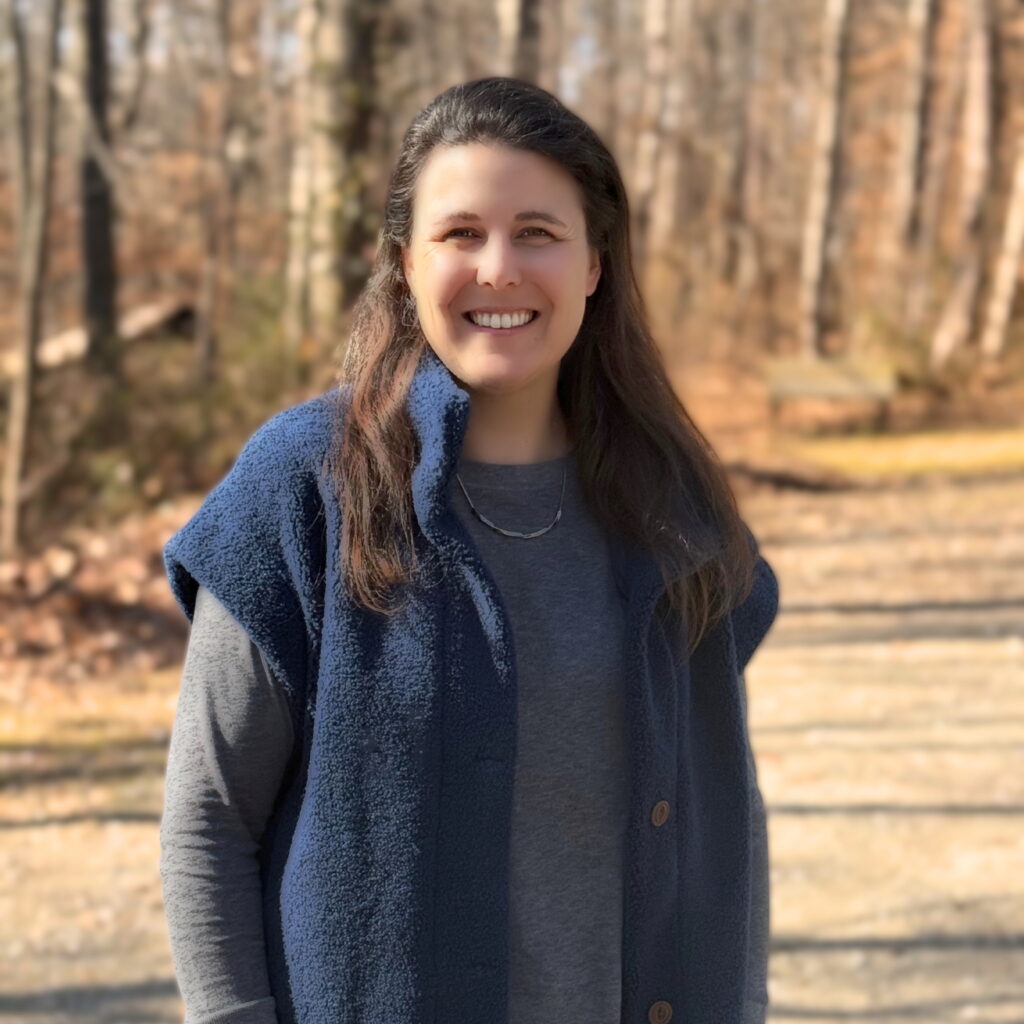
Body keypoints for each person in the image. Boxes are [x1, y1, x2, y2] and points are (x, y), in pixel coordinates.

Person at [159, 76, 779, 1024]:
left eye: (538, 232)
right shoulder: (307, 485)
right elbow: (209, 817)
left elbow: (723, 820)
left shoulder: (673, 504)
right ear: (404, 263)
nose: (498, 269)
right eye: (460, 234)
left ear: (594, 265)